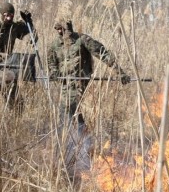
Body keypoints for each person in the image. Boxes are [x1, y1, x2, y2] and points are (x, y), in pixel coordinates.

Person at [46, 18, 130, 177]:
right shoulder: (54, 46)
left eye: (65, 30)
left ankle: (76, 150)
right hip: (64, 84)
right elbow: (51, 64)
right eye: (59, 30)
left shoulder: (82, 40)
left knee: (68, 110)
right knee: (69, 114)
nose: (62, 33)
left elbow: (103, 54)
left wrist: (120, 72)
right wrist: (53, 73)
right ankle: (81, 145)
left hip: (79, 82)